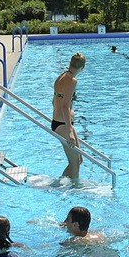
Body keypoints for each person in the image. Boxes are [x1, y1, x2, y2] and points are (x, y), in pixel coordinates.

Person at [52, 52, 86, 180]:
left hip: (61, 122)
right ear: (82, 68)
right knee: (75, 164)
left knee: (79, 159)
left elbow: (54, 101)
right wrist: (70, 131)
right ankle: (75, 190)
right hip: (63, 125)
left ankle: (59, 182)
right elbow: (65, 106)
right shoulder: (72, 80)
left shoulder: (62, 76)